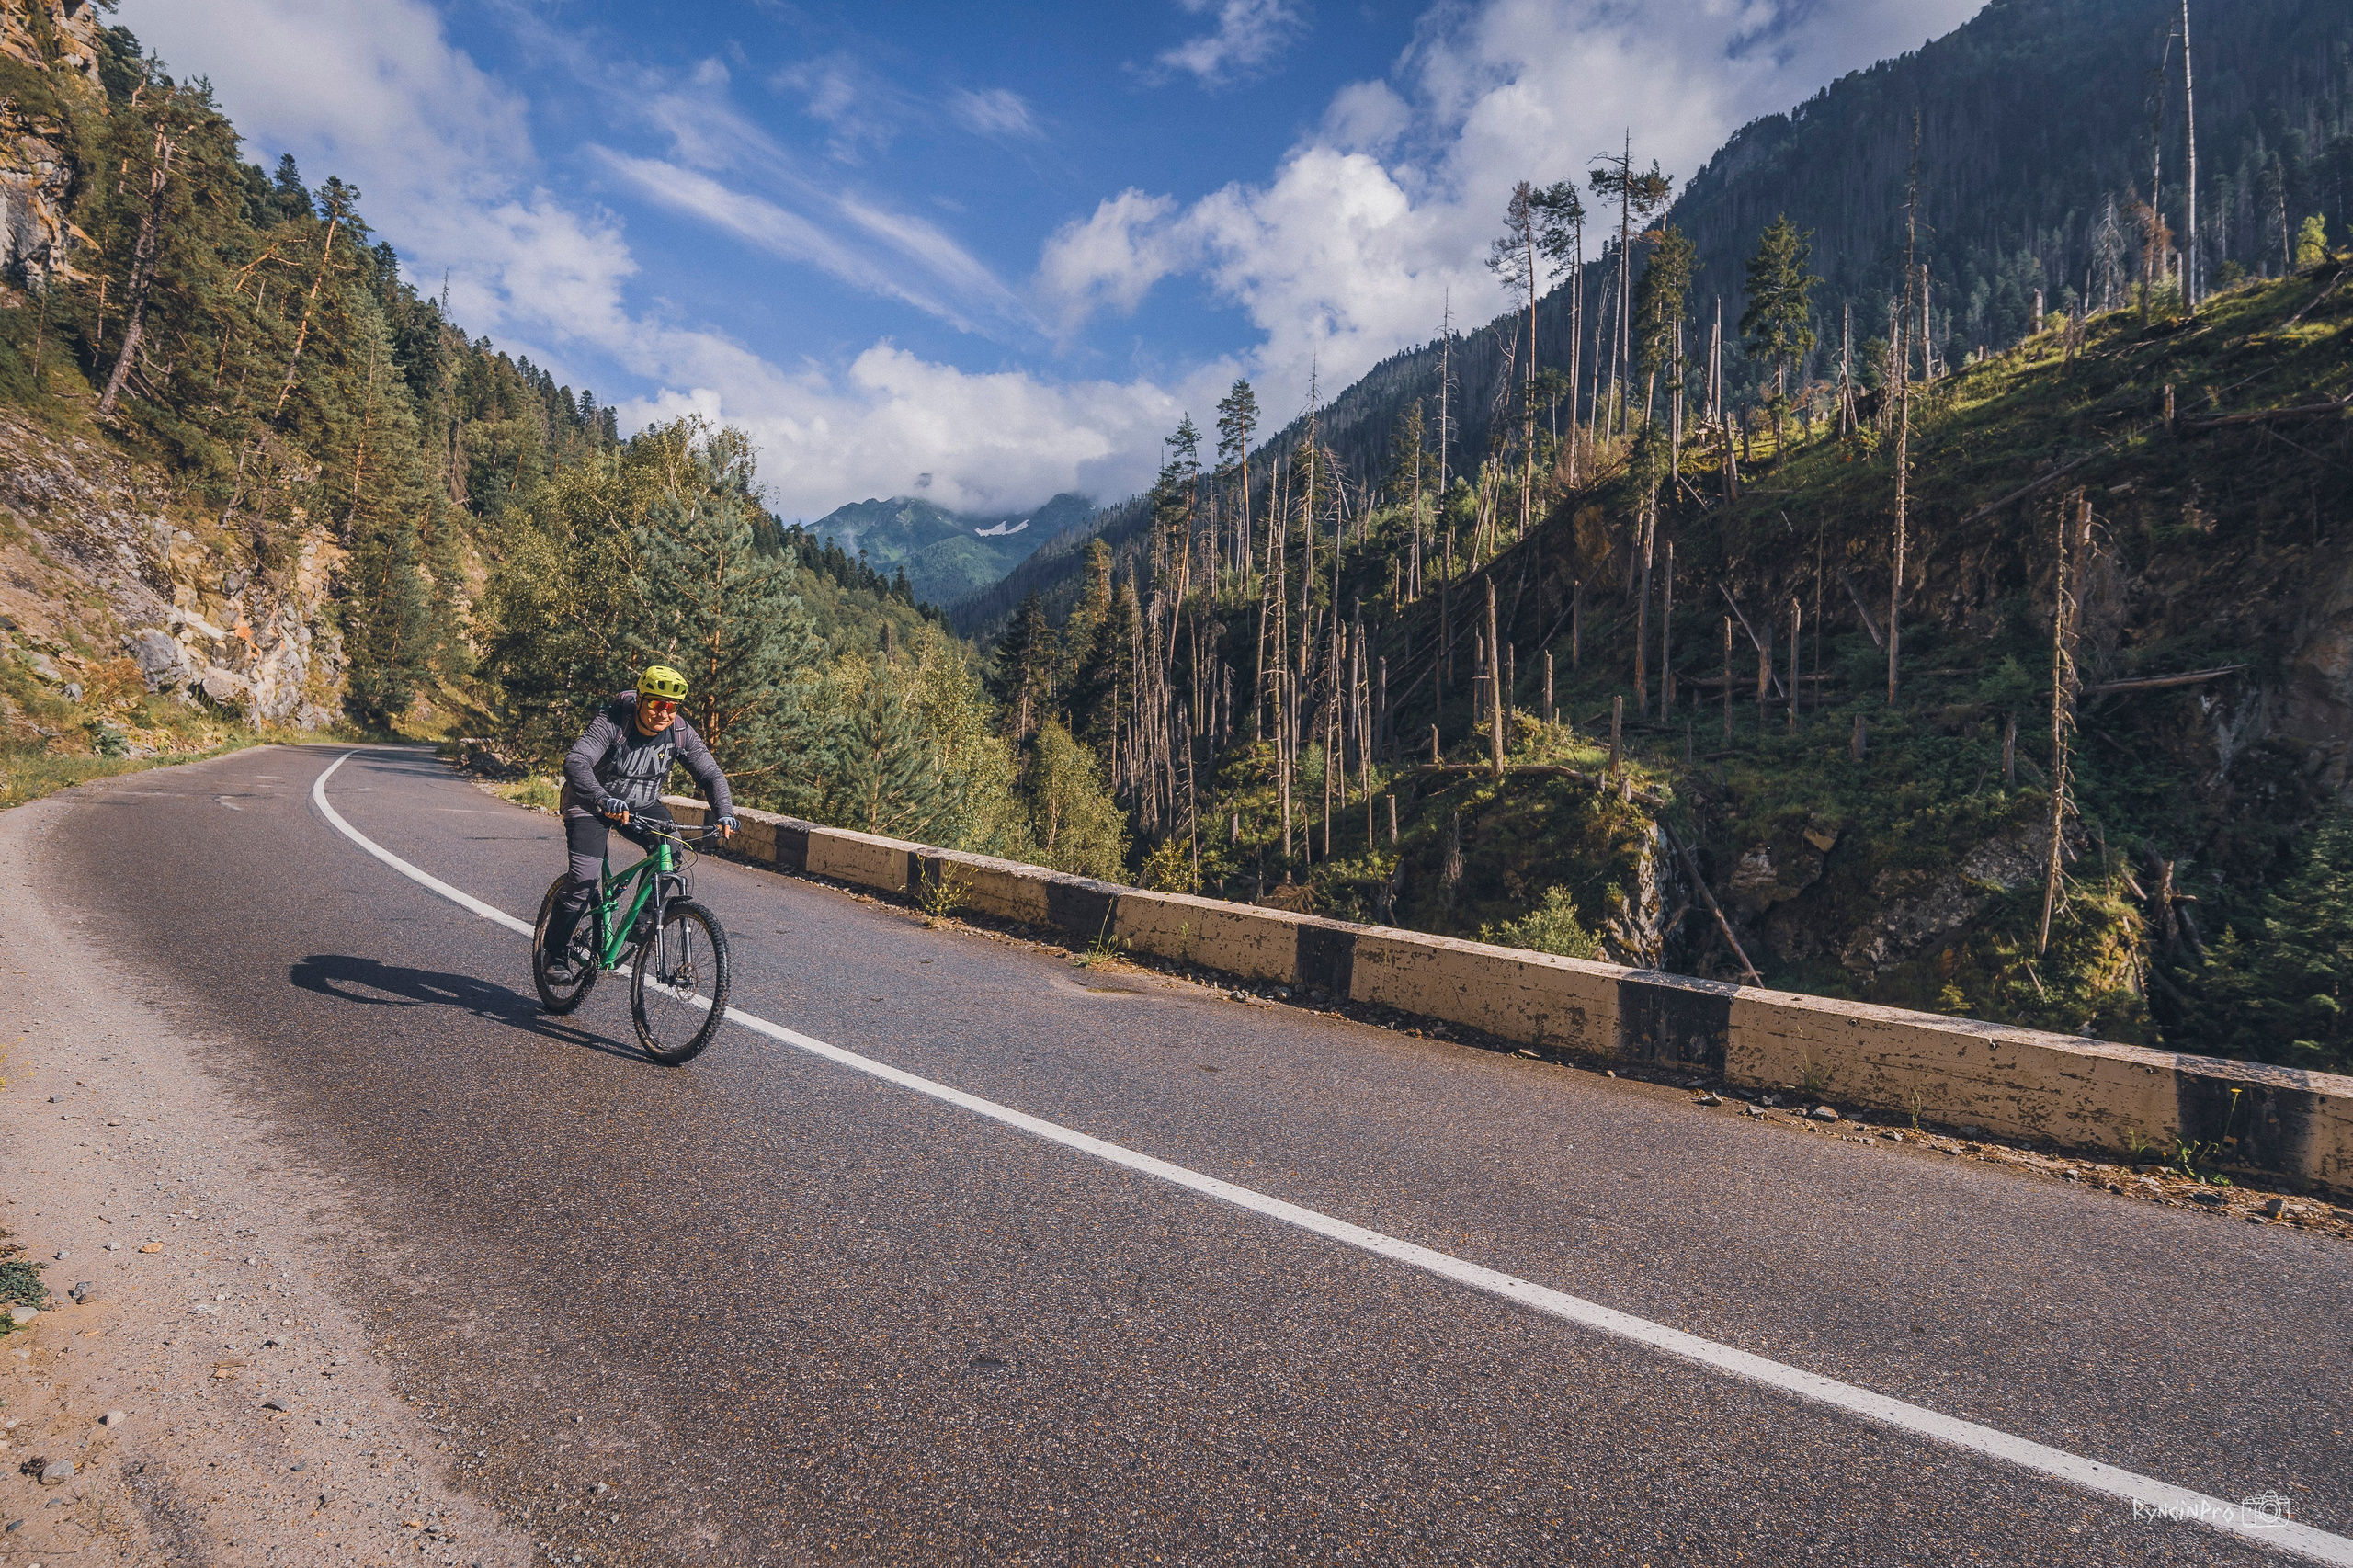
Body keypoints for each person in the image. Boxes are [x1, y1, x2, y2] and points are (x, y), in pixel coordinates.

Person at [540, 664, 737, 981]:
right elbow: (576, 760)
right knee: (584, 877)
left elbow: (711, 774)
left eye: (671, 707)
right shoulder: (612, 721)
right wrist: (602, 798)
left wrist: (724, 811)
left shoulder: (680, 732)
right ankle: (555, 953)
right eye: (657, 704)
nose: (664, 713)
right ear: (641, 701)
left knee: (672, 848)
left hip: (641, 806)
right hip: (590, 803)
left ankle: (642, 921)